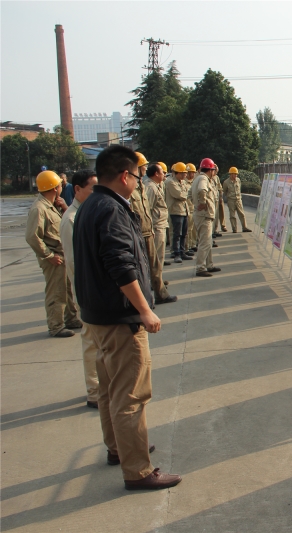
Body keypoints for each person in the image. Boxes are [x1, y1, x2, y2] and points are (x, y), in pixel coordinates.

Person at [73, 145, 181, 491]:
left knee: (109, 390)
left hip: (99, 315)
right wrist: (144, 309)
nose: (138, 182)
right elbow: (120, 264)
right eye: (136, 175)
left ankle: (118, 448)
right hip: (120, 319)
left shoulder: (91, 204)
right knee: (130, 396)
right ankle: (138, 470)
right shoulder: (112, 210)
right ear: (125, 176)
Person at [60, 169, 101, 407]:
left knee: (97, 341)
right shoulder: (71, 219)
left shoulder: (85, 212)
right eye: (91, 188)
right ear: (77, 189)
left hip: (92, 287)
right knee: (89, 341)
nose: (96, 193)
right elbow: (74, 261)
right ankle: (94, 391)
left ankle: (99, 386)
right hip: (85, 288)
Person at [25, 170, 81, 337]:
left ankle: (70, 318)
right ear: (55, 187)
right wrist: (48, 256)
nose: (61, 187)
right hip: (52, 257)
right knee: (56, 292)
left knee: (67, 289)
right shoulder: (39, 208)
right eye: (59, 185)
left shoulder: (51, 205)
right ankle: (55, 326)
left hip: (60, 254)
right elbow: (32, 236)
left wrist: (63, 207)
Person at [130, 153, 171, 303]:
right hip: (143, 231)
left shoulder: (141, 185)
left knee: (154, 264)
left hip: (149, 230)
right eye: (143, 166)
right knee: (146, 266)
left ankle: (160, 292)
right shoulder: (143, 187)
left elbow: (146, 209)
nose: (145, 168)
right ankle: (153, 294)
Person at [143, 164, 177, 304]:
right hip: (156, 226)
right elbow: (148, 210)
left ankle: (158, 283)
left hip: (160, 225)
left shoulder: (155, 185)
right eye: (162, 172)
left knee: (158, 258)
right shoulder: (150, 187)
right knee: (156, 259)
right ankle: (157, 287)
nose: (164, 174)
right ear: (156, 174)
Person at [190, 158, 222, 277]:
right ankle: (200, 267)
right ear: (210, 170)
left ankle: (209, 265)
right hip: (204, 215)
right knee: (205, 242)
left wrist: (196, 203)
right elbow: (201, 190)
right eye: (213, 170)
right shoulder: (203, 179)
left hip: (201, 215)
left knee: (207, 241)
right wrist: (202, 203)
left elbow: (189, 194)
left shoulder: (197, 178)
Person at [166, 163, 192, 263]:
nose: (185, 175)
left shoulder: (183, 182)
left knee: (184, 233)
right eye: (183, 173)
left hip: (184, 210)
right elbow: (180, 195)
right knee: (177, 233)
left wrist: (186, 194)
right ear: (177, 173)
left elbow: (187, 193)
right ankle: (176, 253)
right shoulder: (170, 182)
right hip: (176, 210)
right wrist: (186, 194)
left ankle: (182, 251)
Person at [222, 167, 252, 233]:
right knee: (232, 215)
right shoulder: (226, 182)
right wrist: (229, 197)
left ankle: (244, 227)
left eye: (236, 174)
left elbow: (239, 189)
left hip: (238, 200)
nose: (236, 175)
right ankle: (234, 228)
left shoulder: (238, 180)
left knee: (242, 214)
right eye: (234, 174)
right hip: (231, 200)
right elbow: (225, 191)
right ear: (231, 174)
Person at [185, 163, 198, 252]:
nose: (193, 174)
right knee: (188, 229)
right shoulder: (184, 183)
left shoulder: (194, 182)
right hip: (187, 209)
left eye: (194, 172)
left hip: (194, 208)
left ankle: (193, 243)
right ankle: (188, 245)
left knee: (194, 229)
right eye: (191, 172)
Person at [213, 165, 227, 237]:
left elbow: (220, 188)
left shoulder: (216, 177)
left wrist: (221, 196)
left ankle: (217, 228)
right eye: (214, 170)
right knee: (213, 216)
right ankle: (212, 231)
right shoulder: (207, 178)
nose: (215, 172)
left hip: (217, 198)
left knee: (218, 214)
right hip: (212, 199)